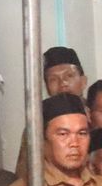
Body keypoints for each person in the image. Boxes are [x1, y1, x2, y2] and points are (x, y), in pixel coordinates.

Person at [15, 46, 87, 175]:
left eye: (69, 76)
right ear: (47, 87)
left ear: (83, 81)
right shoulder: (37, 125)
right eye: (53, 79)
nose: (62, 83)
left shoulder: (99, 114)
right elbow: (25, 174)